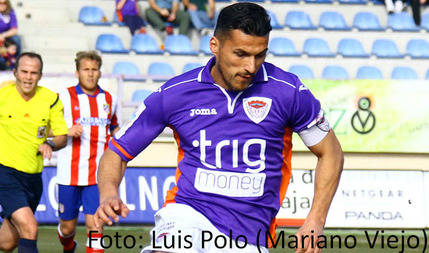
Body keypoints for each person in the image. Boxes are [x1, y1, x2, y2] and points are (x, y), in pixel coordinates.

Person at [94, 2, 344, 253]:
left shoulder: (288, 92)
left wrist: (315, 220)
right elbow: (117, 151)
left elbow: (330, 152)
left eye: (260, 55)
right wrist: (108, 194)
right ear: (214, 45)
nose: (251, 66)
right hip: (187, 213)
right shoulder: (176, 94)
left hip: (250, 235)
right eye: (241, 54)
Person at [0, 52, 68, 252]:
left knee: (7, 243)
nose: (28, 77)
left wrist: (51, 145)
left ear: (40, 75)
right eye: (24, 72)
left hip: (33, 179)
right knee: (30, 228)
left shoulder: (50, 99)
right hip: (5, 173)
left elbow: (62, 136)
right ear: (15, 72)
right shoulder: (3, 96)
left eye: (33, 73)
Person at [55, 51, 120, 253]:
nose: (90, 74)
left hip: (96, 175)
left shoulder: (109, 99)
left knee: (96, 226)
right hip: (69, 174)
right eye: (86, 70)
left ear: (100, 72)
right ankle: (68, 245)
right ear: (77, 72)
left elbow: (114, 128)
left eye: (94, 70)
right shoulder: (64, 96)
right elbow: (48, 128)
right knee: (68, 228)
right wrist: (66, 131)